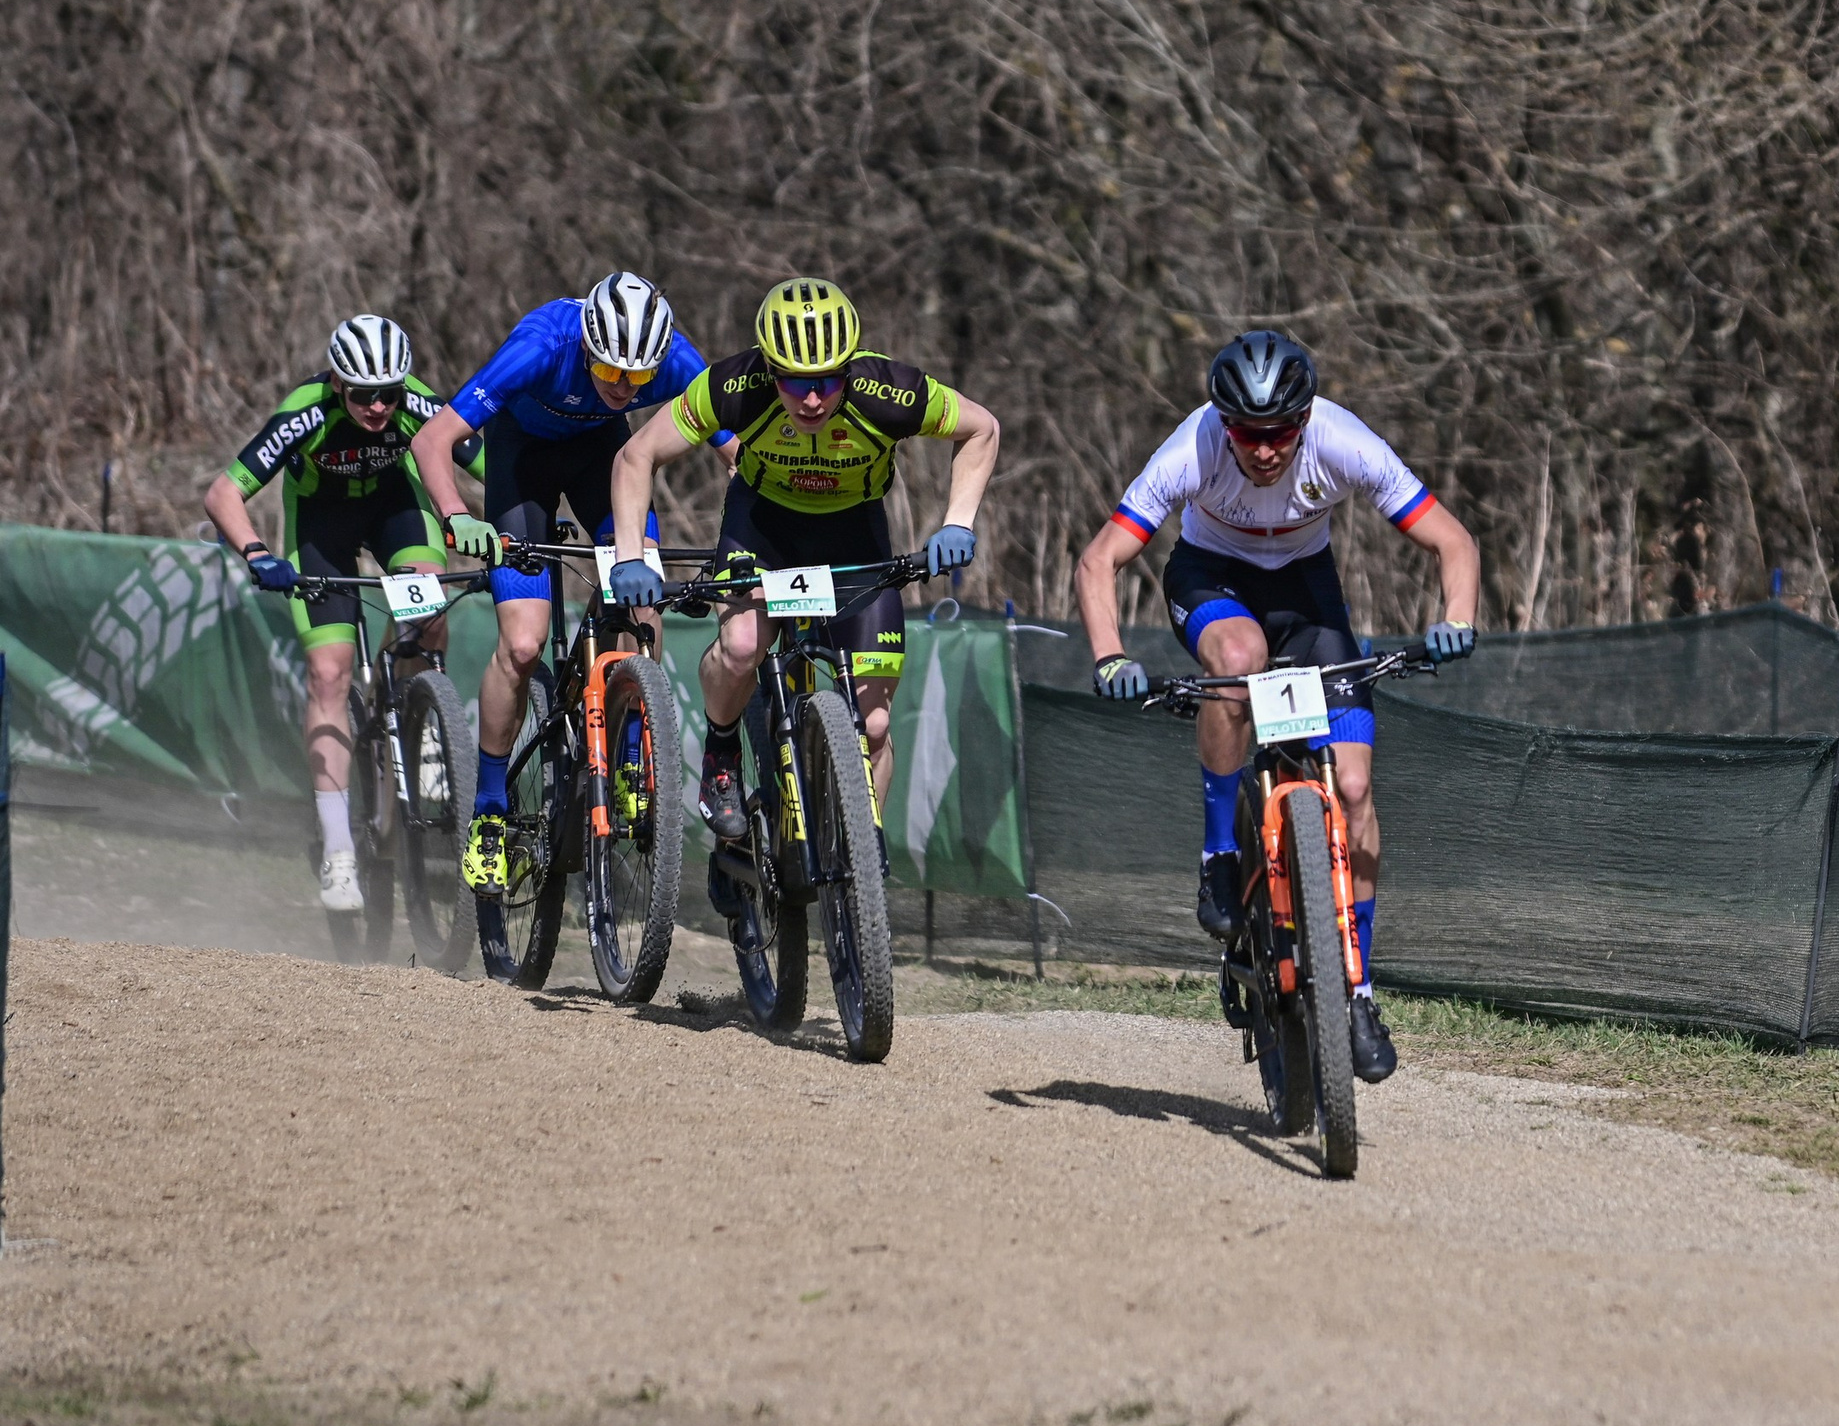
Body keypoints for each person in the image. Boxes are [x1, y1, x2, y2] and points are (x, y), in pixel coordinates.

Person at [1071, 329, 1480, 1084]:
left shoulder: (1342, 439)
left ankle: (1357, 991)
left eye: (1280, 432)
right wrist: (1109, 655)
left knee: (1353, 790)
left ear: (1306, 417)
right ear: (1225, 423)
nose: (1264, 449)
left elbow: (1452, 540)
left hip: (1306, 593)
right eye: (1248, 434)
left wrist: (1457, 617)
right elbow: (1100, 559)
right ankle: (1219, 855)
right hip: (1212, 578)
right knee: (1237, 663)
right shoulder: (1191, 447)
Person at [604, 275, 1000, 863]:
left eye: (827, 381)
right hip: (765, 527)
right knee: (741, 645)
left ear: (849, 368)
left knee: (874, 725)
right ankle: (721, 752)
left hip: (853, 534)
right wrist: (632, 556)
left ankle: (859, 866)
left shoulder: (887, 390)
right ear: (770, 369)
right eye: (794, 381)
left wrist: (958, 522)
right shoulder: (734, 387)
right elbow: (638, 455)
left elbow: (981, 428)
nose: (812, 399)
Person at [409, 272, 732, 897]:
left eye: (637, 381)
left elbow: (739, 449)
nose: (621, 388)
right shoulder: (541, 345)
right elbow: (434, 439)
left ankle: (635, 750)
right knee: (524, 647)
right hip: (521, 463)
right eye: (610, 371)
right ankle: (490, 810)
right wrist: (456, 518)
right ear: (587, 343)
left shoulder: (673, 361)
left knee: (642, 596)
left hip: (604, 463)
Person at [204, 315, 478, 915]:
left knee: (428, 602)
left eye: (390, 392)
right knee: (328, 673)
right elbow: (223, 492)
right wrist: (256, 552)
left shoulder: (415, 403)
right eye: (362, 394)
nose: (379, 407)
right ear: (336, 383)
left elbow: (487, 459)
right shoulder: (305, 411)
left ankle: (417, 715)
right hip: (321, 522)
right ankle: (337, 851)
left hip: (394, 507)